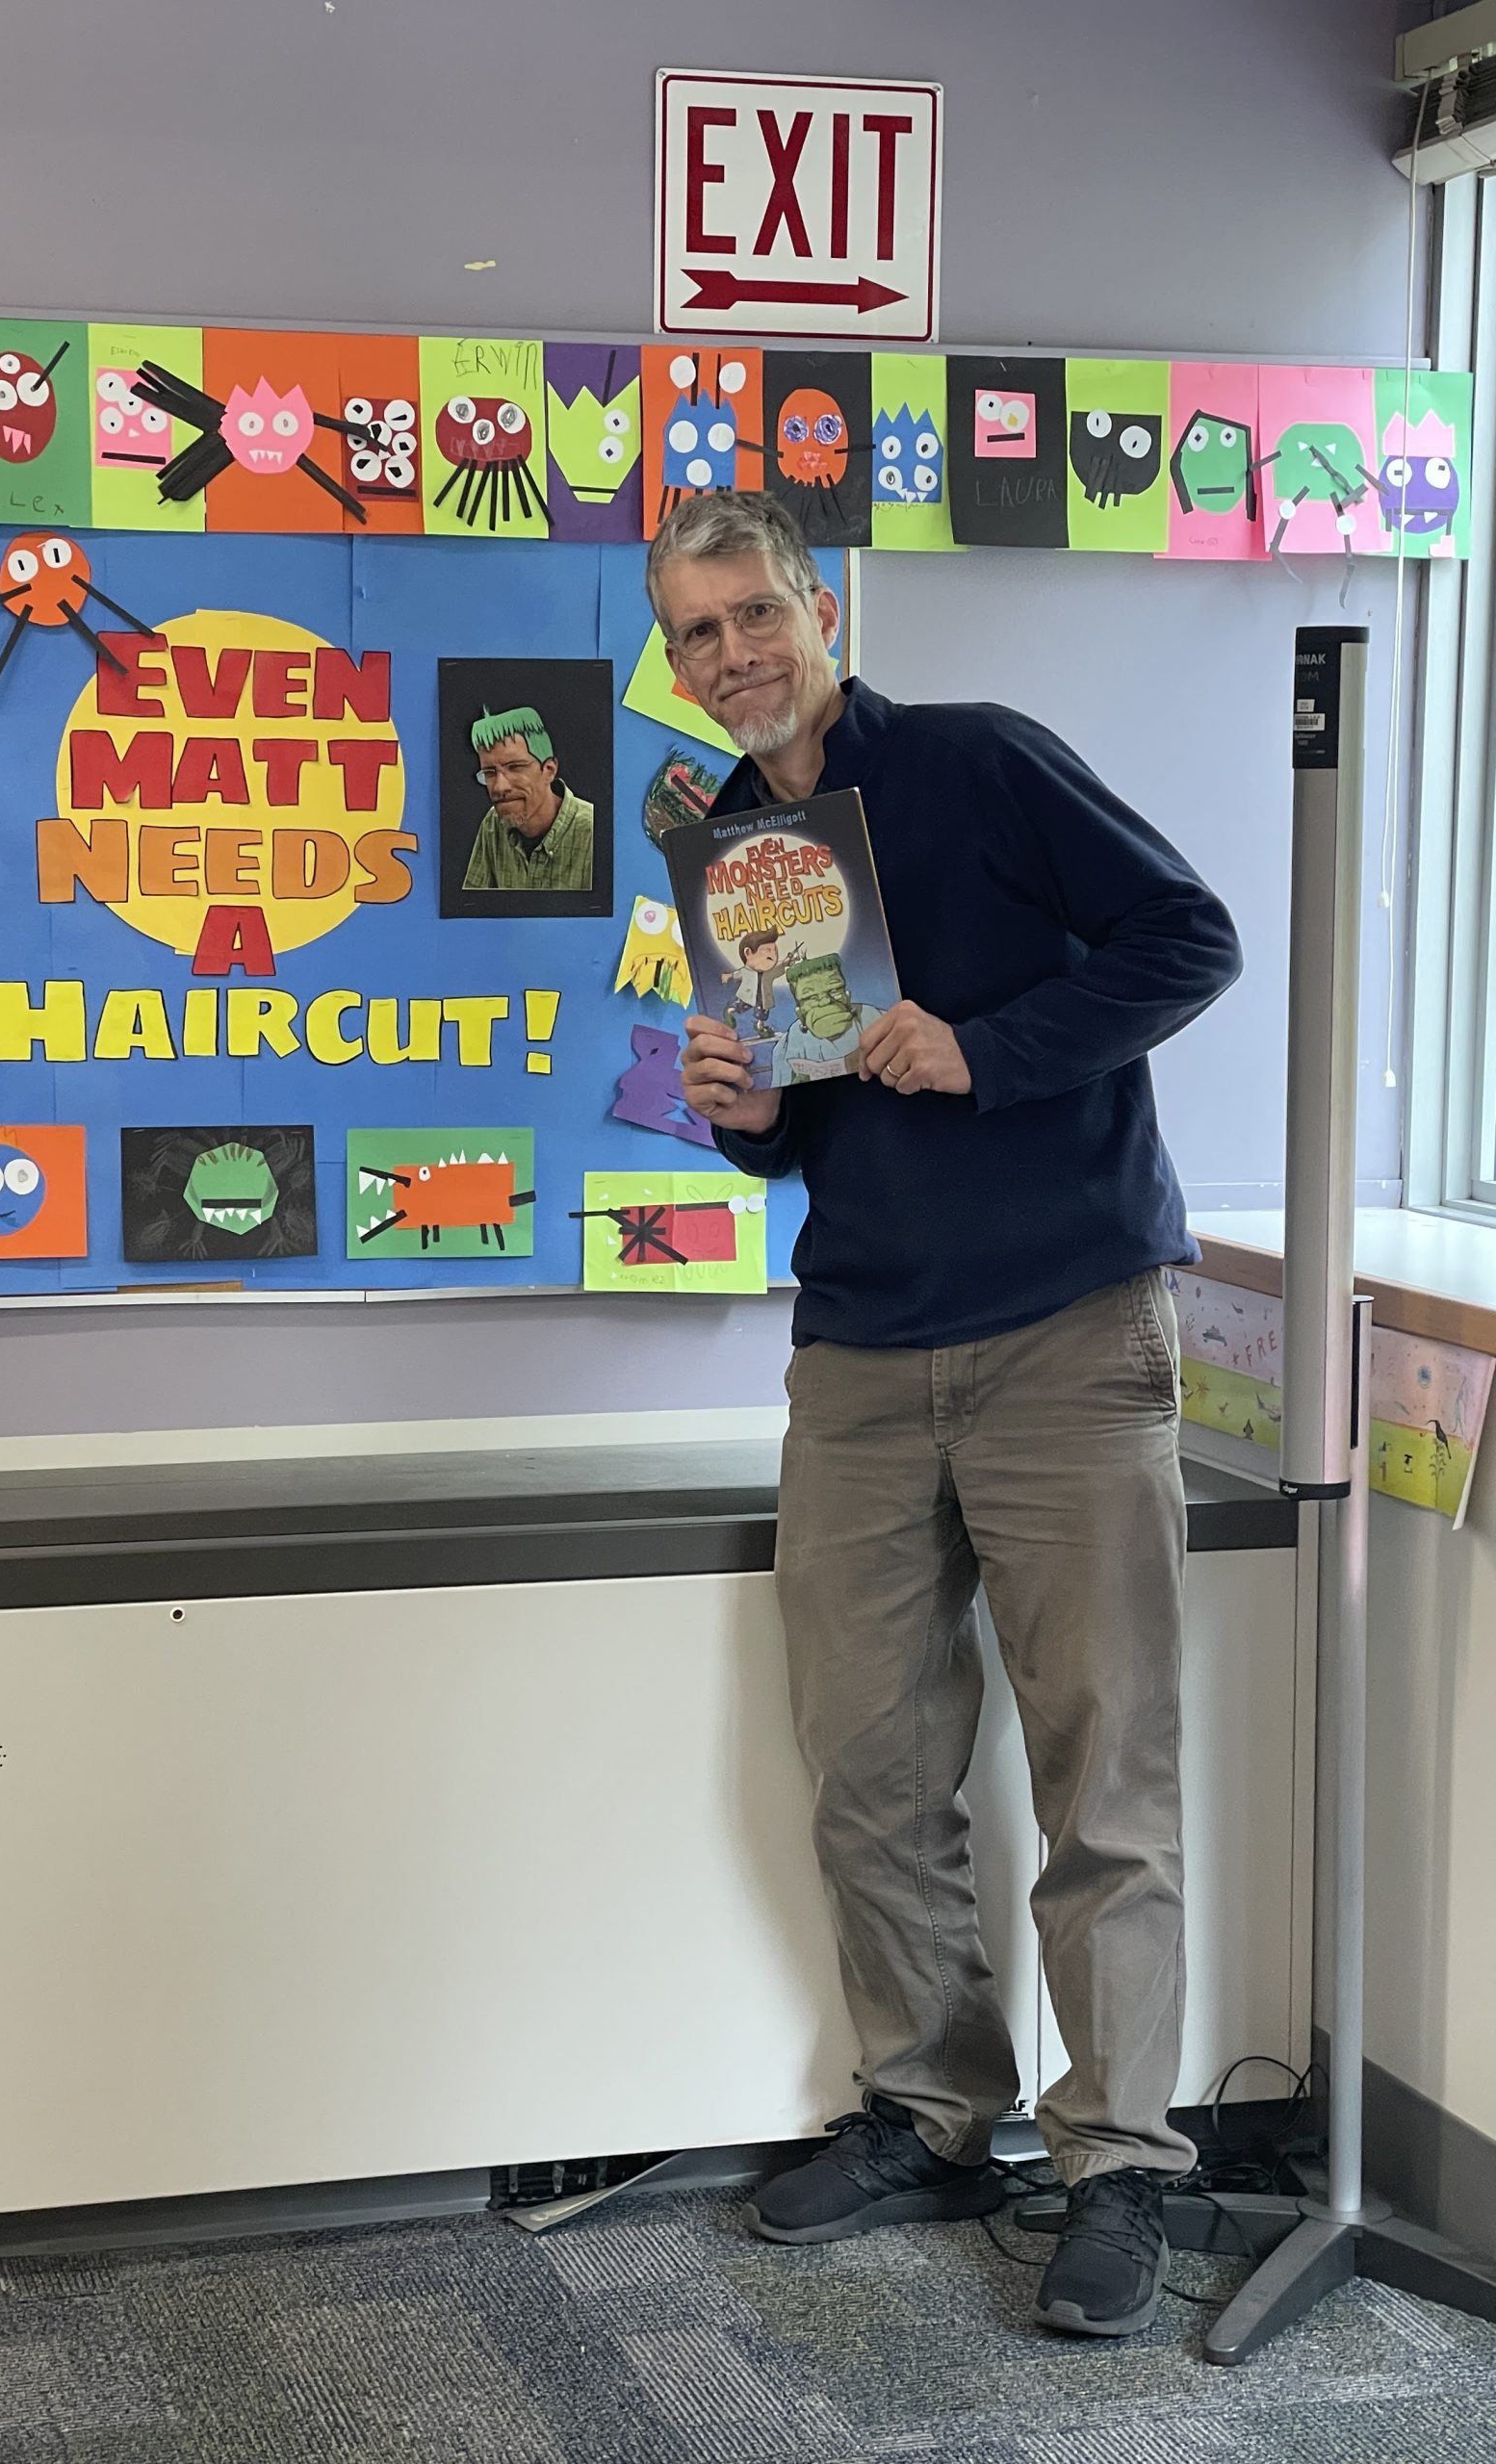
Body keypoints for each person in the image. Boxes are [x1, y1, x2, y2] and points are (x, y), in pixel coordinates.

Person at [650, 490, 1242, 2341]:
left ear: (822, 607)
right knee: (871, 1766)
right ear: (674, 665)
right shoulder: (739, 848)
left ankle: (1124, 2159)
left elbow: (1189, 939)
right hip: (860, 1350)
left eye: (756, 612)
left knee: (1105, 1766)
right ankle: (931, 2112)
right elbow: (813, 1126)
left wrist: (993, 1050)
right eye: (696, 634)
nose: (735, 653)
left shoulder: (984, 766)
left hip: (1068, 1330)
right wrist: (745, 1116)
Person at [460, 705, 594, 892]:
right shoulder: (493, 824)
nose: (500, 787)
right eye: (489, 772)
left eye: (515, 767)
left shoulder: (593, 831)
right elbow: (470, 909)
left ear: (549, 771)